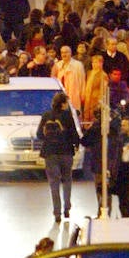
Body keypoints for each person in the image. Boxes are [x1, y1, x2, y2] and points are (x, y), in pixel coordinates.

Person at [36, 91, 80, 221]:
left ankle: (57, 213)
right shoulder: (68, 116)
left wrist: (48, 139)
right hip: (66, 152)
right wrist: (76, 145)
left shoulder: (46, 115)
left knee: (54, 183)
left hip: (50, 153)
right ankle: (67, 208)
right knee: (67, 180)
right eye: (67, 102)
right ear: (63, 103)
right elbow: (74, 134)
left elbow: (39, 134)